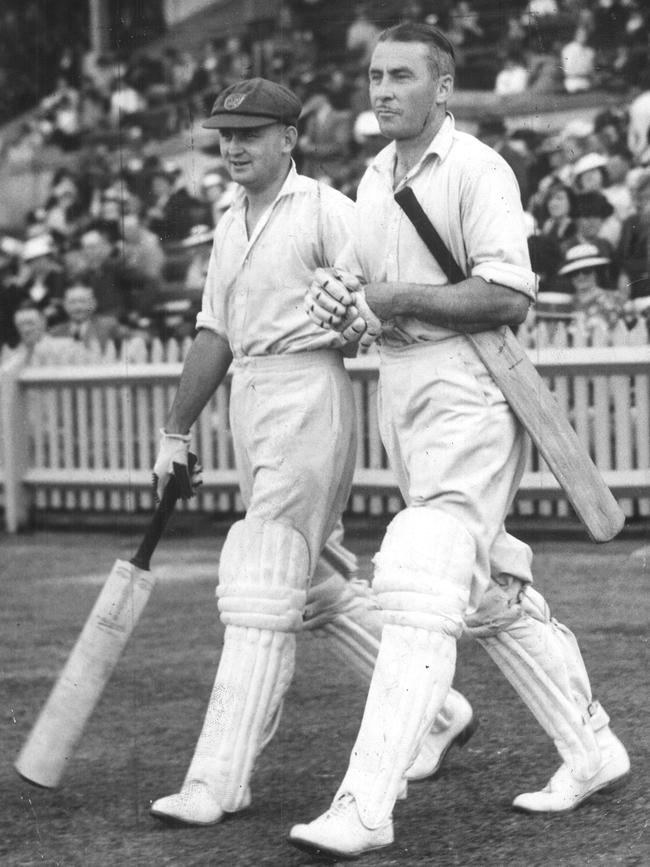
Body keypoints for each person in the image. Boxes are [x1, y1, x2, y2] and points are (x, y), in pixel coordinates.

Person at [291, 23, 630, 859]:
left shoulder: (478, 167)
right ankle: (591, 747)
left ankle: (367, 801)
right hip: (401, 386)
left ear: (443, 87)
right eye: (374, 75)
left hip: (470, 386)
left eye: (402, 76)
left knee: (419, 573)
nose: (382, 90)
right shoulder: (374, 177)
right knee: (479, 588)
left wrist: (390, 294)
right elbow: (382, 304)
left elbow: (507, 295)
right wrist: (352, 308)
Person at [148, 77, 473, 829]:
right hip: (252, 399)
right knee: (317, 585)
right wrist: (176, 431)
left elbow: (373, 308)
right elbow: (214, 334)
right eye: (226, 134)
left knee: (262, 577)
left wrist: (352, 313)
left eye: (251, 133)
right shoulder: (231, 222)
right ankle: (439, 709)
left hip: (307, 394)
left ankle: (218, 779)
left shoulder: (330, 209)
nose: (233, 147)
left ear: (289, 138)